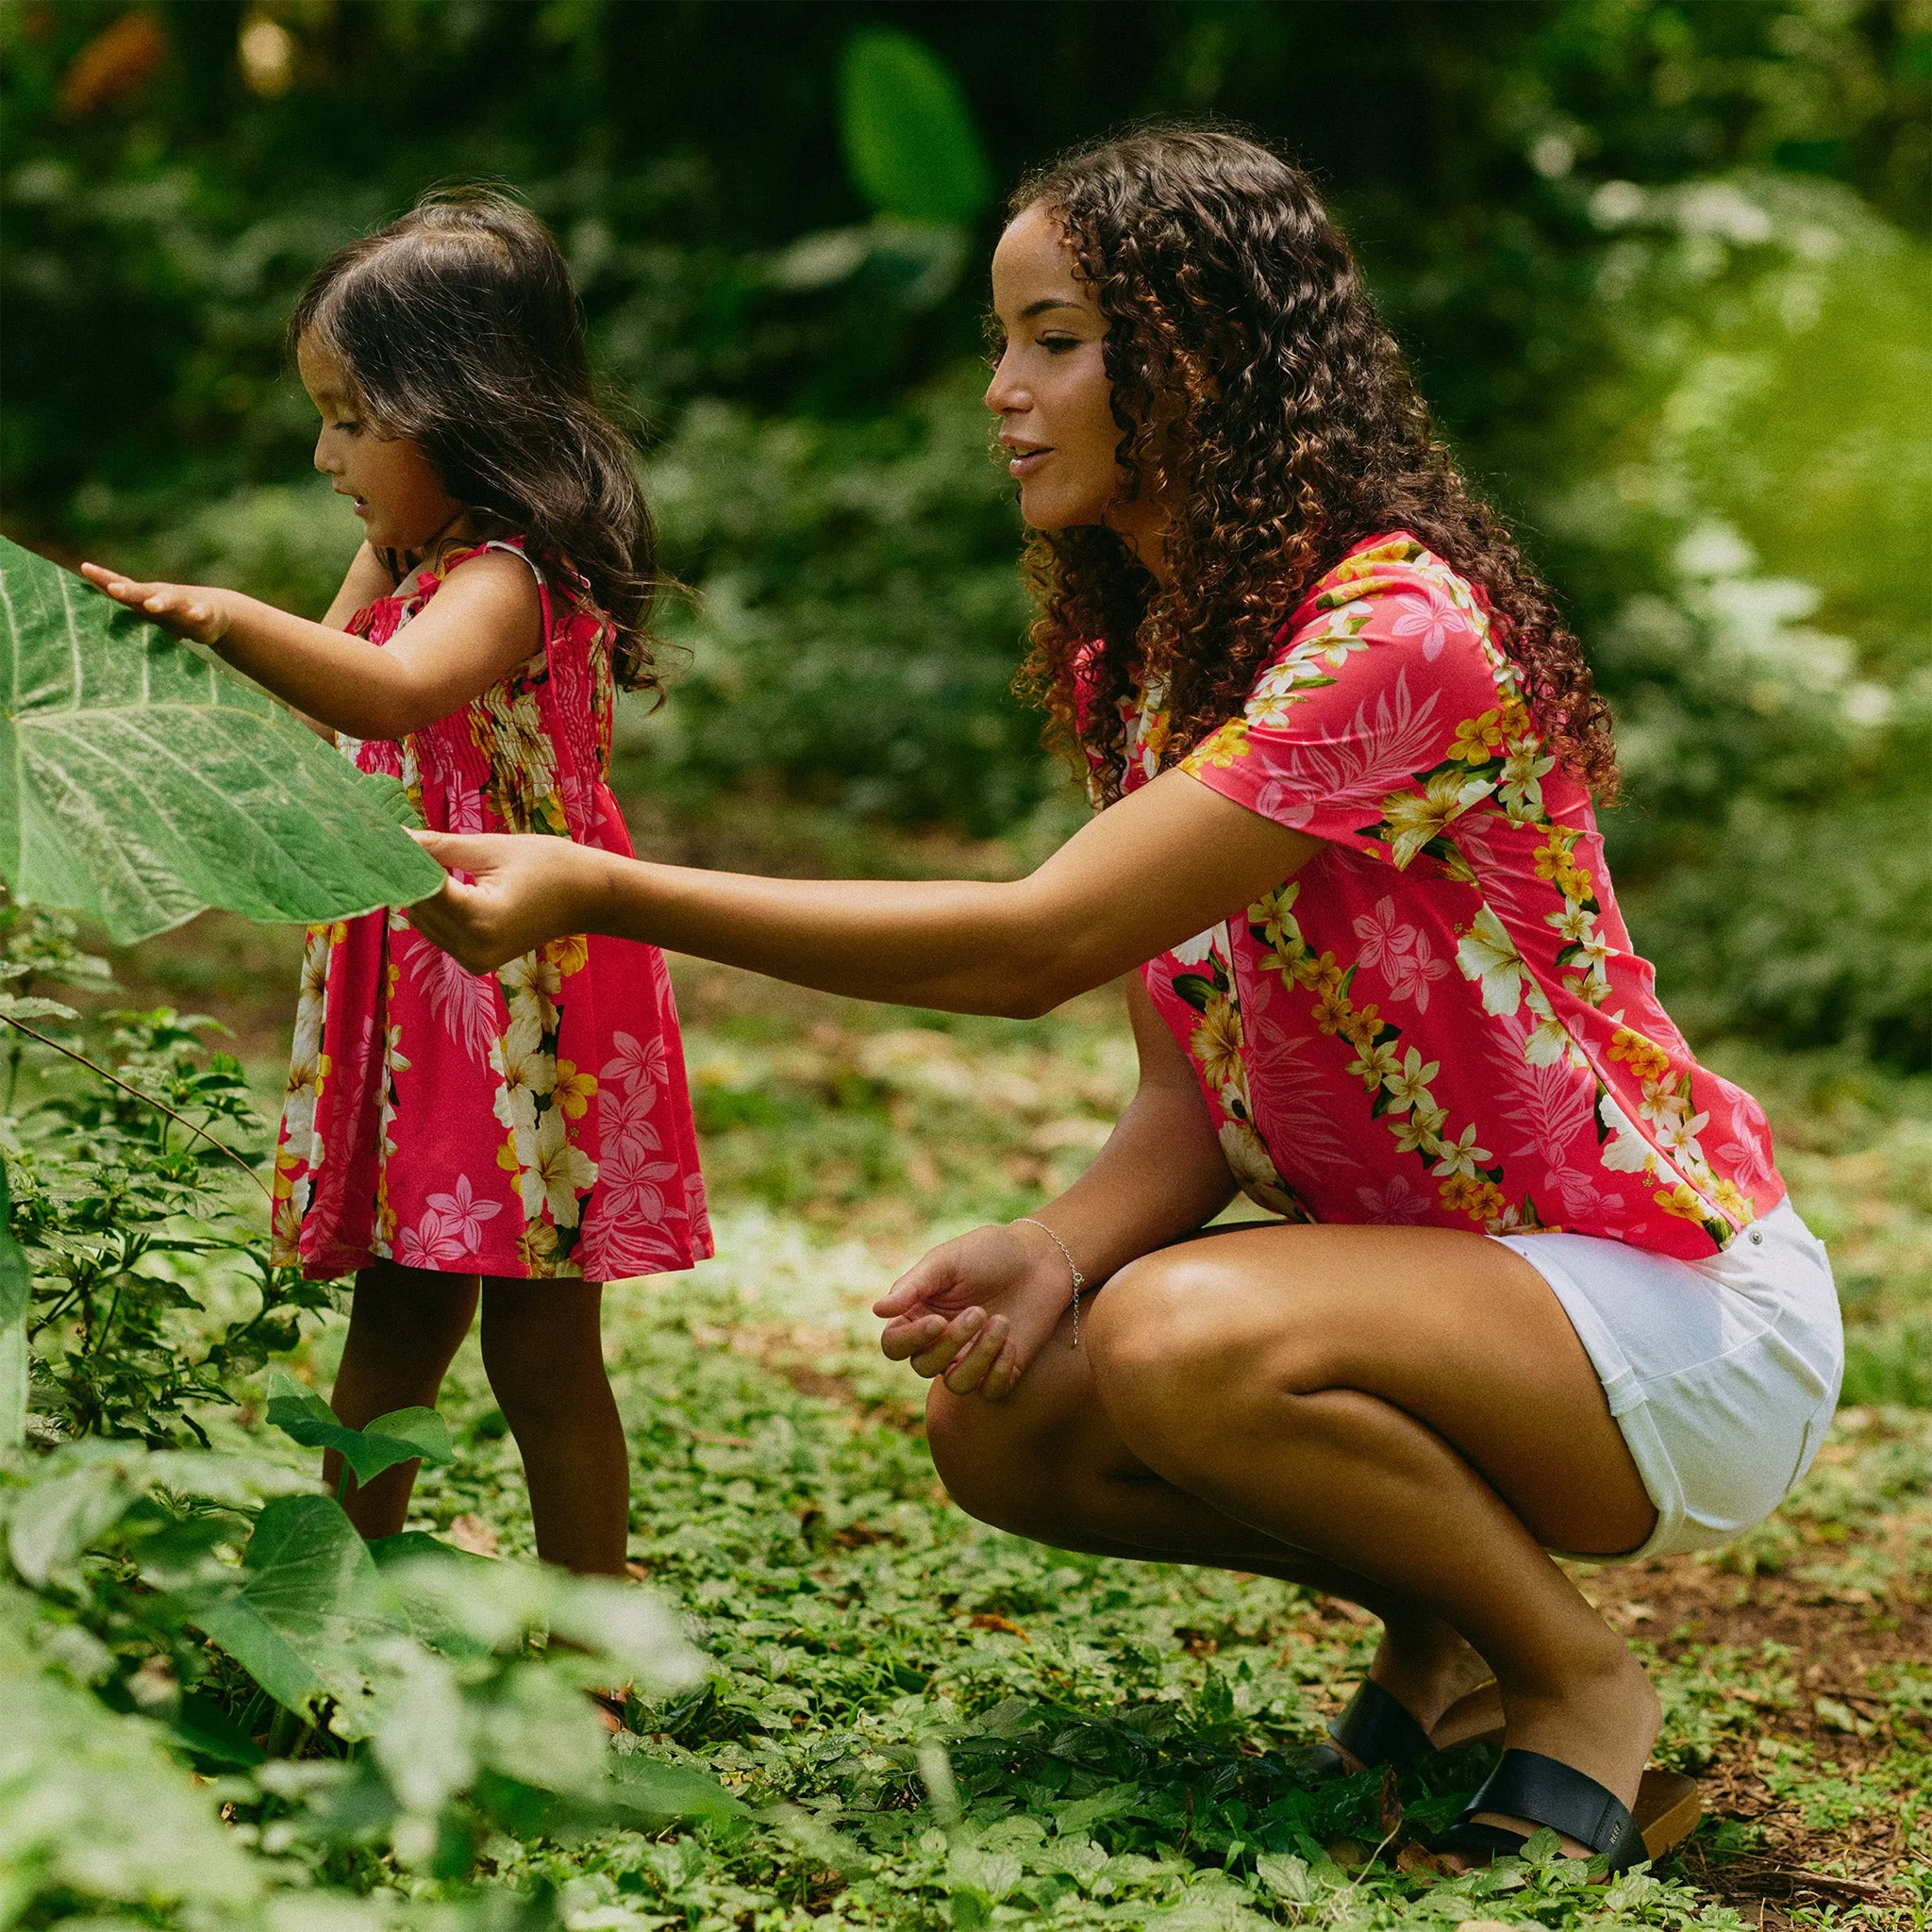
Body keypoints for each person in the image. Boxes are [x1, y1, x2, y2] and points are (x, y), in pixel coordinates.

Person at [402, 131, 1841, 1870]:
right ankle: (1444, 1657)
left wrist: (611, 889)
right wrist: (1060, 1247)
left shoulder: (1394, 635)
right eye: (1004, 342)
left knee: (1179, 1339)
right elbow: (1190, 1096)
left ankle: (1576, 1683)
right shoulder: (1150, 660)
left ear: (1204, 356)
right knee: (1013, 1419)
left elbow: (1033, 947)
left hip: (1675, 1310)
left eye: (1057, 340)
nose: (1005, 393)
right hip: (1451, 1304)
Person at [82, 190, 710, 1595]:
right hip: (418, 983)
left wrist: (225, 615)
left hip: (517, 987)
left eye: (353, 419)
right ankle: (319, 1621)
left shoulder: (510, 574)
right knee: (391, 1335)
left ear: (461, 408)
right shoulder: (425, 558)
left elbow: (398, 686)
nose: (325, 455)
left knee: (542, 1356)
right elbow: (328, 694)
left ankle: (597, 1645)